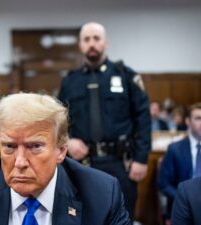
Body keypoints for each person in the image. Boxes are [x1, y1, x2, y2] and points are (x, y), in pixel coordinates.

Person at [0, 93, 130, 225]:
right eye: (9, 147)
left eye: (35, 147)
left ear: (61, 151)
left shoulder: (102, 194)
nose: (20, 162)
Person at [58, 22, 151, 219]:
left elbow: (143, 117)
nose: (92, 43)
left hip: (120, 162)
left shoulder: (126, 75)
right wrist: (68, 140)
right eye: (87, 39)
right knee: (84, 217)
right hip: (82, 162)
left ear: (105, 43)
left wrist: (141, 159)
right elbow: (58, 119)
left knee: (122, 217)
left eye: (96, 38)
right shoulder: (70, 81)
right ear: (80, 45)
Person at [157, 102, 201, 218]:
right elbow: (163, 184)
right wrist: (185, 199)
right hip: (184, 207)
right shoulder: (175, 149)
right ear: (188, 121)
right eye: (198, 118)